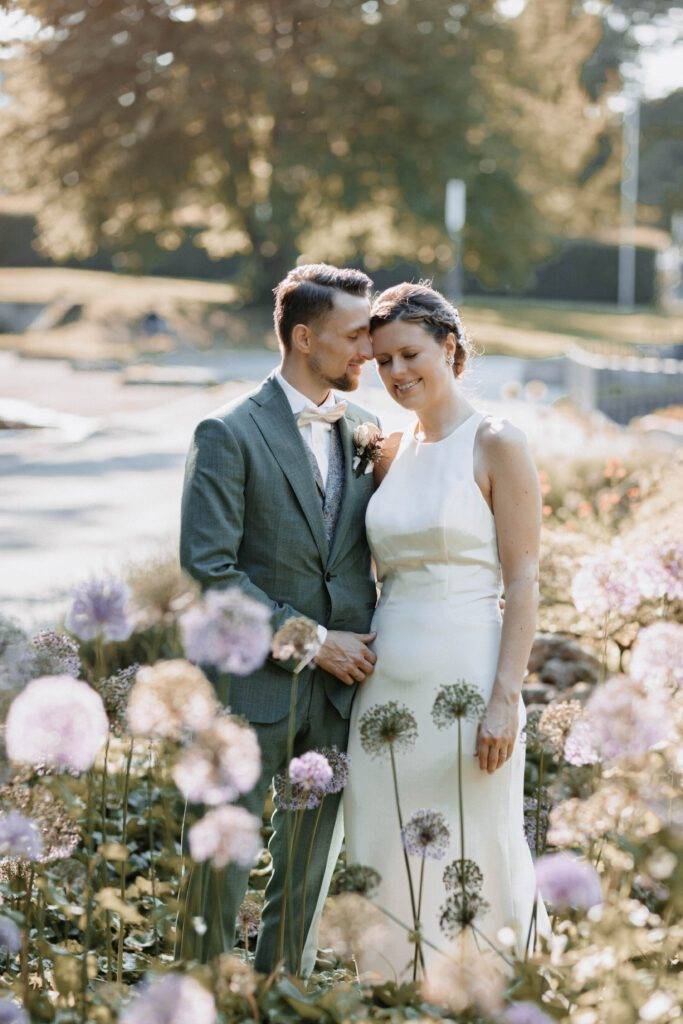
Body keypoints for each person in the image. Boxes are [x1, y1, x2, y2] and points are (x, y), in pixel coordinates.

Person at [344, 281, 551, 980]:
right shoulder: (387, 450)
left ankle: (481, 984)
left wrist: (504, 699)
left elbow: (522, 581)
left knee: (470, 837)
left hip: (466, 676)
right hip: (385, 679)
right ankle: (390, 981)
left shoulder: (495, 442)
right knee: (383, 833)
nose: (396, 373)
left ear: (448, 347)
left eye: (409, 354)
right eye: (382, 362)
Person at [179, 263, 380, 972]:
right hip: (250, 687)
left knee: (306, 870)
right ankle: (199, 995)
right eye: (354, 335)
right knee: (223, 862)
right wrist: (315, 642)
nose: (369, 351)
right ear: (303, 336)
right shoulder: (227, 432)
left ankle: (277, 992)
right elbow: (211, 569)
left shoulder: (366, 430)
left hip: (335, 692)